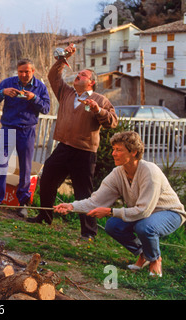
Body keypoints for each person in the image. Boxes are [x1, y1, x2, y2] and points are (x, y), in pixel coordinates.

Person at [54, 131, 186, 277]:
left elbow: (143, 211)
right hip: (145, 213)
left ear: (134, 152)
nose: (113, 154)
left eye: (119, 150)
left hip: (170, 213)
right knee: (112, 226)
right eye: (113, 149)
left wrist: (111, 212)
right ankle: (143, 254)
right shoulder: (118, 173)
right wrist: (72, 207)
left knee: (144, 227)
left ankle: (155, 259)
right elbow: (96, 201)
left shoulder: (149, 172)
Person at [29, 43, 118, 240]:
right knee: (48, 178)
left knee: (83, 194)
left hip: (85, 152)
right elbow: (53, 77)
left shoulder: (100, 99)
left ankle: (88, 232)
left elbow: (112, 122)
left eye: (83, 74)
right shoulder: (67, 93)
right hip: (64, 147)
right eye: (78, 73)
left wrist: (98, 110)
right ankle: (45, 216)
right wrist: (62, 58)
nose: (79, 75)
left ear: (91, 83)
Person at [0, 59, 51, 218]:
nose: (23, 74)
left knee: (25, 167)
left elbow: (46, 108)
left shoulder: (40, 87)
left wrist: (33, 98)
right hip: (8, 128)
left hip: (27, 131)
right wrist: (3, 93)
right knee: (1, 163)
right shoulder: (8, 83)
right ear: (17, 71)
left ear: (33, 71)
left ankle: (22, 203)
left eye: (27, 71)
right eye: (21, 71)